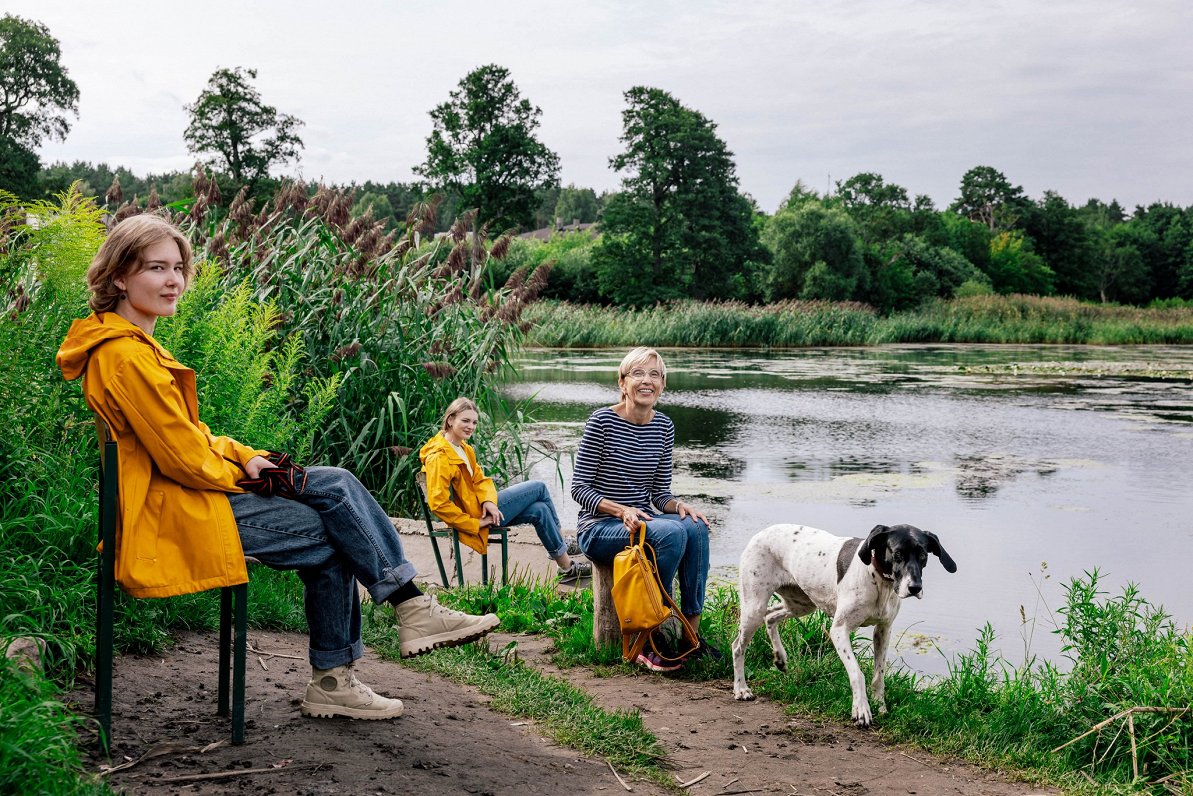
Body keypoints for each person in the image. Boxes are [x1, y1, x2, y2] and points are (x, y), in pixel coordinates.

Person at [56, 214, 499, 722]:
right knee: (337, 522)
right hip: (169, 513)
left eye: (178, 267)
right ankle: (363, 651)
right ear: (119, 276)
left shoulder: (132, 347)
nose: (174, 280)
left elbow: (192, 437)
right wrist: (248, 475)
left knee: (336, 492)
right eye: (156, 268)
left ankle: (390, 629)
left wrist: (247, 457)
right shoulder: (125, 357)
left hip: (181, 498)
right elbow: (183, 459)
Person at [571, 347, 716, 671]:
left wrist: (679, 505)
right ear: (623, 383)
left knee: (694, 526)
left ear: (662, 385)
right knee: (670, 534)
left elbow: (659, 495)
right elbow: (579, 489)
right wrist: (621, 511)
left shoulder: (664, 426)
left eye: (654, 374)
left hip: (643, 522)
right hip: (599, 528)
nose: (646, 381)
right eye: (638, 373)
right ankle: (647, 637)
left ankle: (690, 636)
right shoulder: (602, 422)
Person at [420, 398, 591, 583]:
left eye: (474, 422)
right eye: (465, 421)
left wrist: (488, 502)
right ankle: (562, 542)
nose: (471, 426)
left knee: (540, 510)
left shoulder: (463, 448)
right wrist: (475, 523)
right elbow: (438, 504)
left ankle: (566, 568)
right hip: (475, 516)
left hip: (483, 508)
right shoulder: (439, 456)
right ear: (450, 420)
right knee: (539, 487)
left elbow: (480, 480)